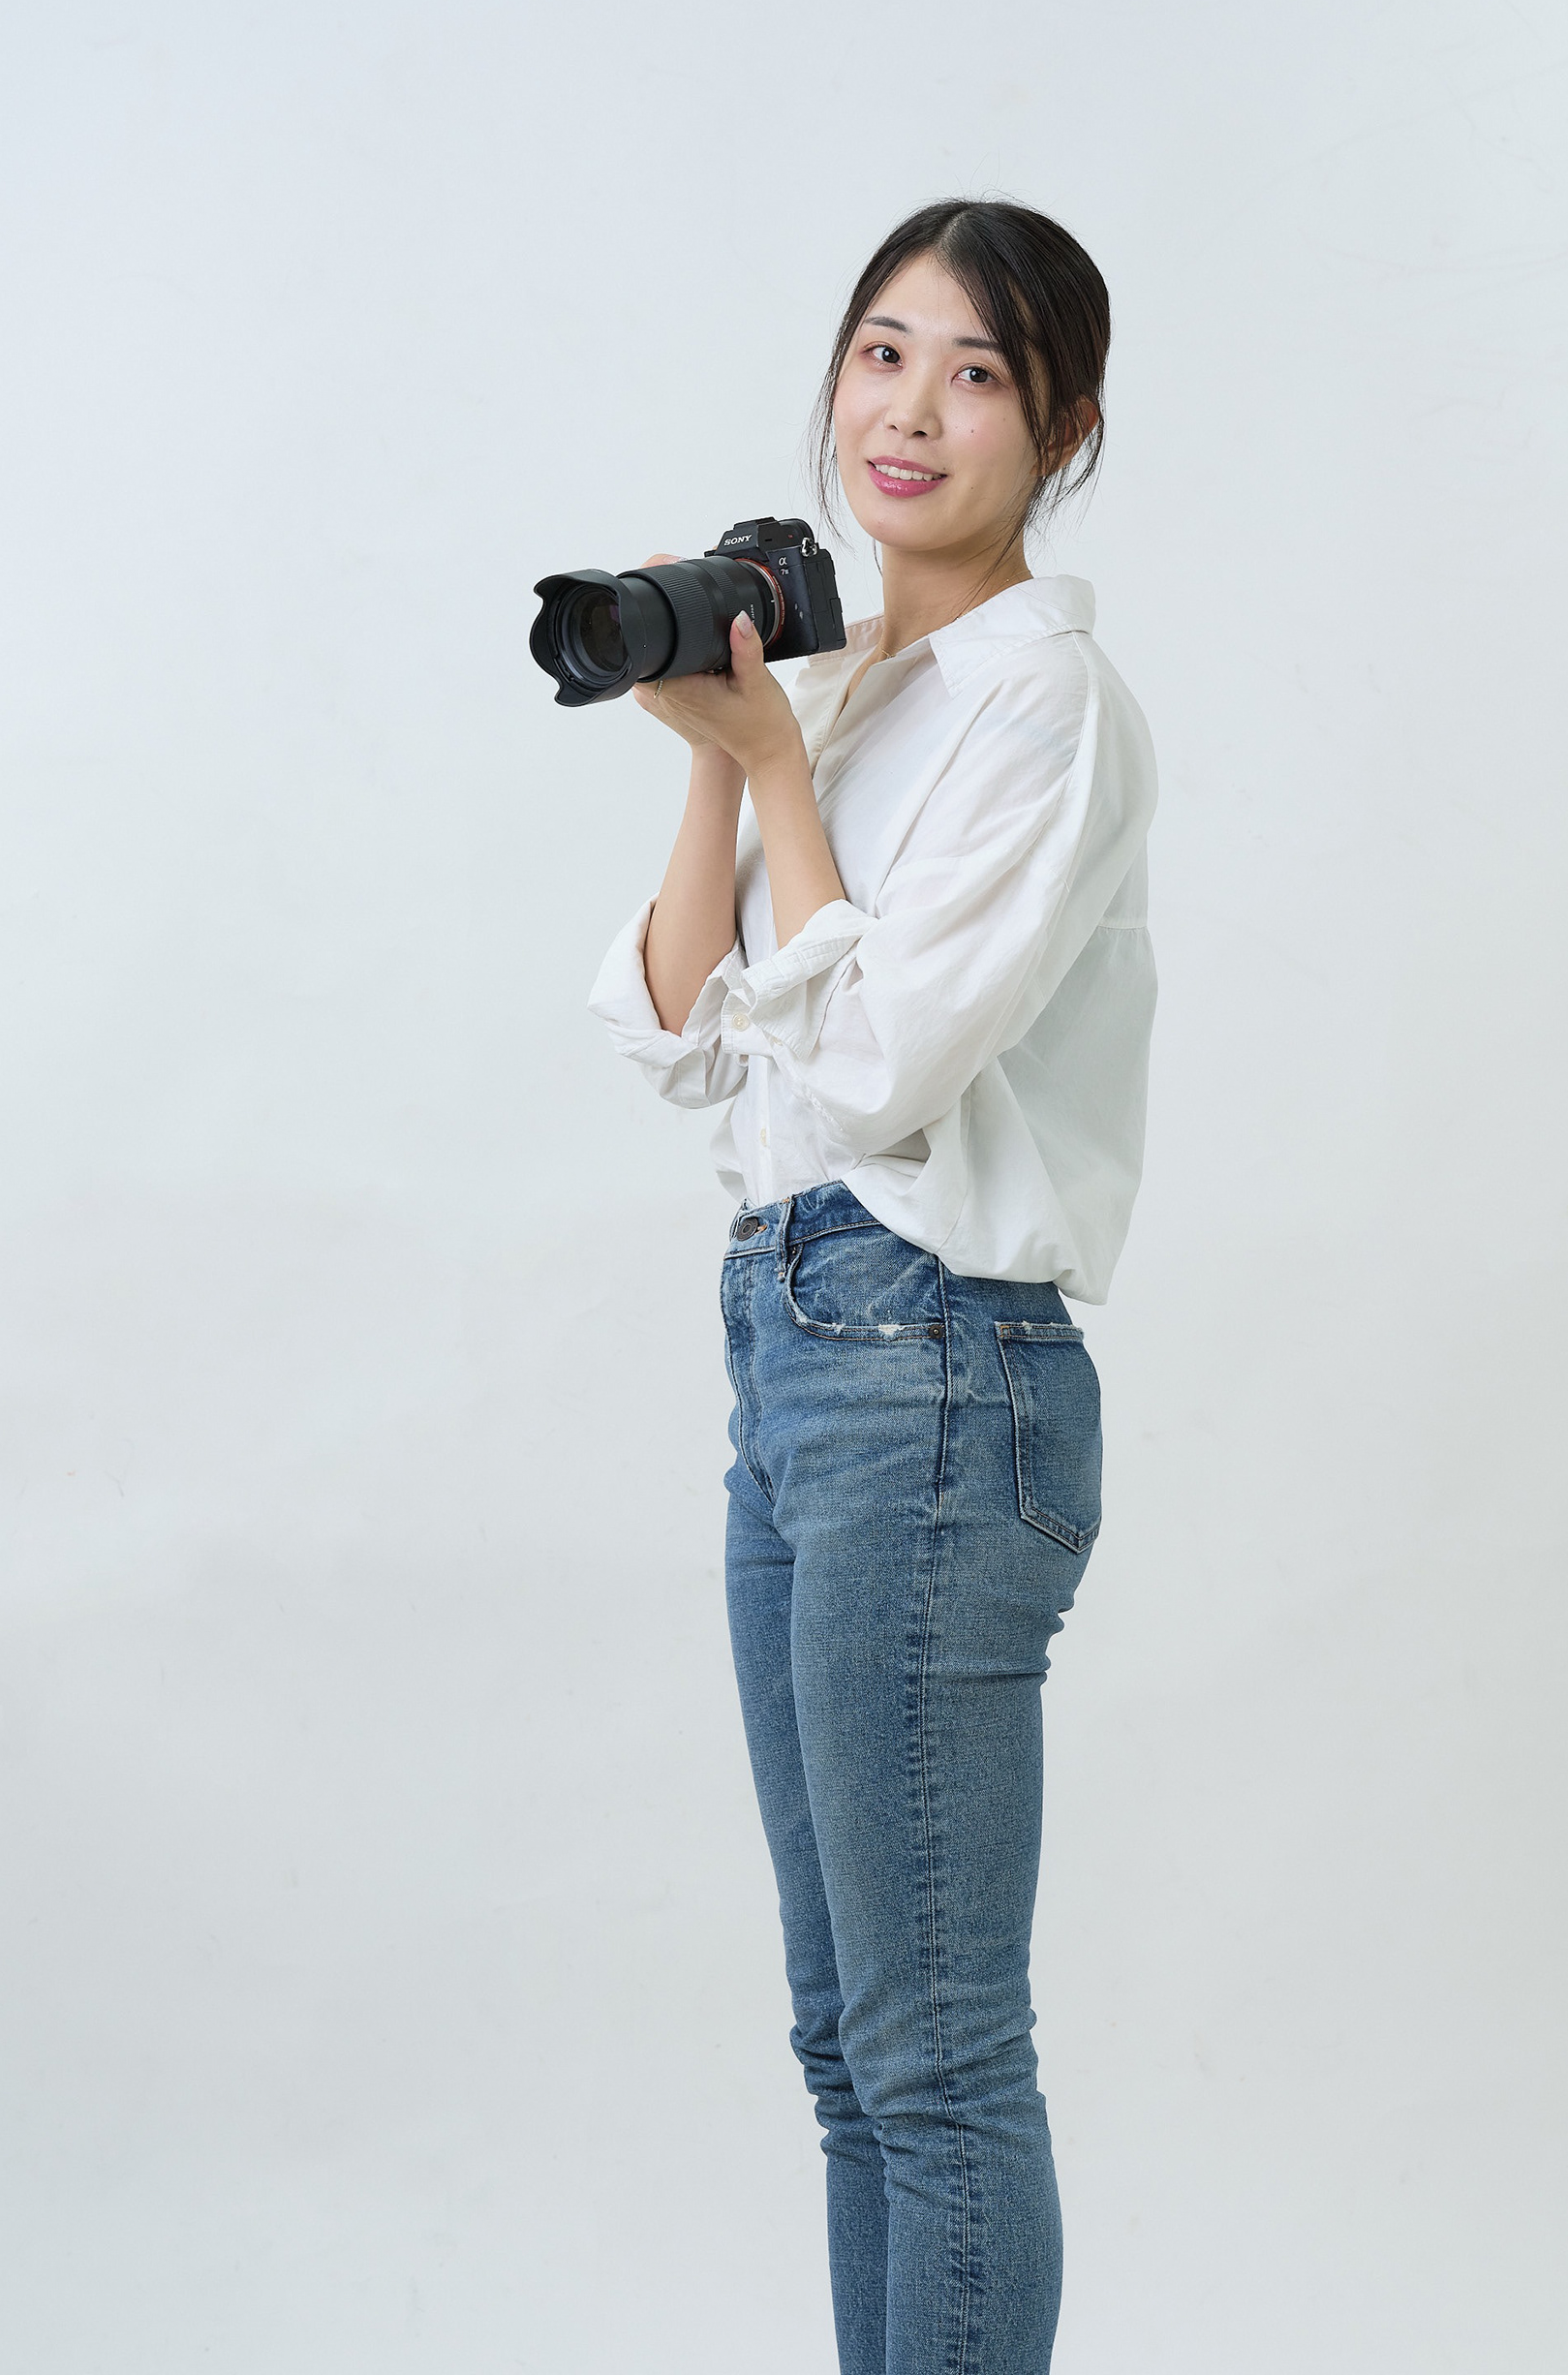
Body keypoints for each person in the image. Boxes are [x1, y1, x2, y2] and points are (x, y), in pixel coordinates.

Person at [590, 198, 1157, 2375]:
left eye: (978, 371)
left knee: (935, 2052)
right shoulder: (842, 699)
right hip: (796, 1347)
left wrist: (775, 773)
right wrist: (730, 753)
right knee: (848, 2039)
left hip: (933, 1366)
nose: (909, 410)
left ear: (1063, 428)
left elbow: (883, 1070)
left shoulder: (1047, 704)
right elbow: (679, 1030)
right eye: (882, 352)